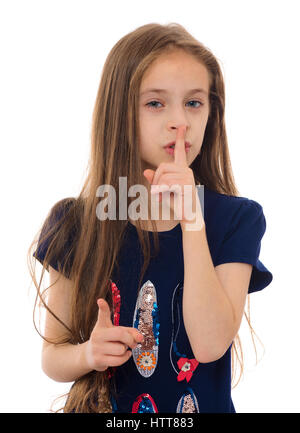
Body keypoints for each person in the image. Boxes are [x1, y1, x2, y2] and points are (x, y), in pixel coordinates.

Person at [29, 22, 273, 413]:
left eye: (194, 103)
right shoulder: (75, 222)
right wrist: (89, 354)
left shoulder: (236, 220)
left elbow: (209, 344)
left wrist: (192, 219)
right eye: (156, 103)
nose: (181, 121)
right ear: (119, 113)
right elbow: (52, 356)